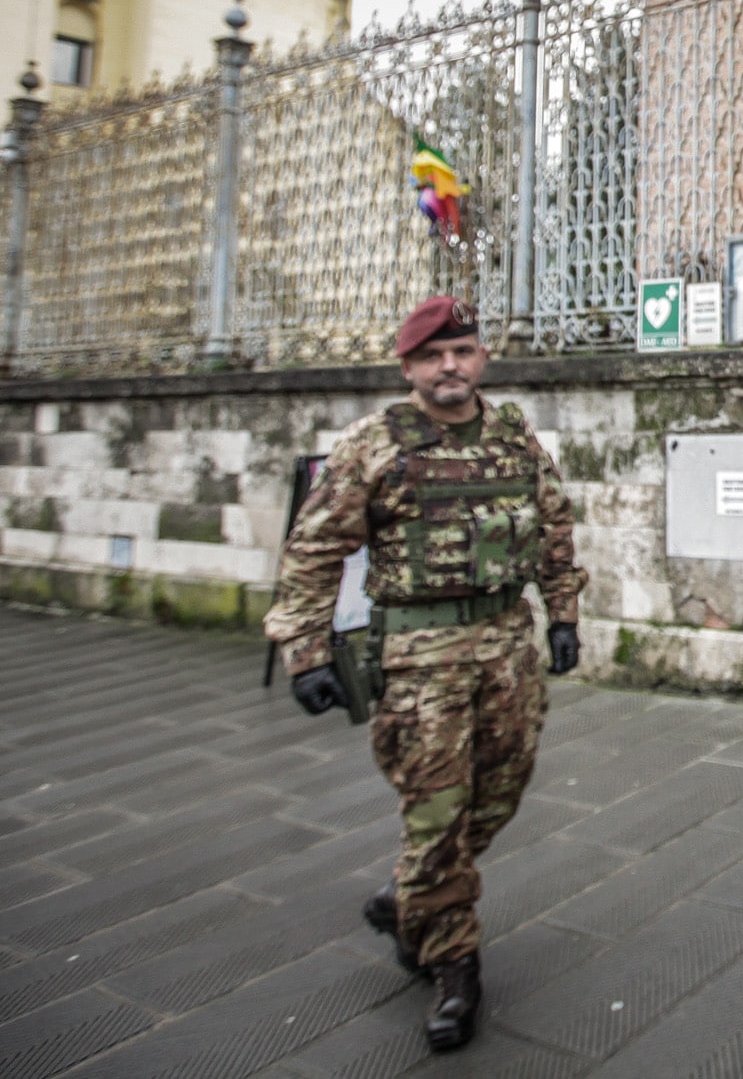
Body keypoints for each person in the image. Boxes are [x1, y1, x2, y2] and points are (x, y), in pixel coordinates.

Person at [265, 296, 587, 1052]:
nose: (452, 365)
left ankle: (409, 891)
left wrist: (564, 613)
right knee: (437, 811)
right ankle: (452, 963)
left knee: (500, 792)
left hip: (509, 646)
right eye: (434, 354)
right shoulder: (374, 445)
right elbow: (314, 551)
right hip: (420, 660)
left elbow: (553, 526)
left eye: (464, 350)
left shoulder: (513, 439)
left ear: (481, 358)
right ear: (408, 366)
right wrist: (306, 652)